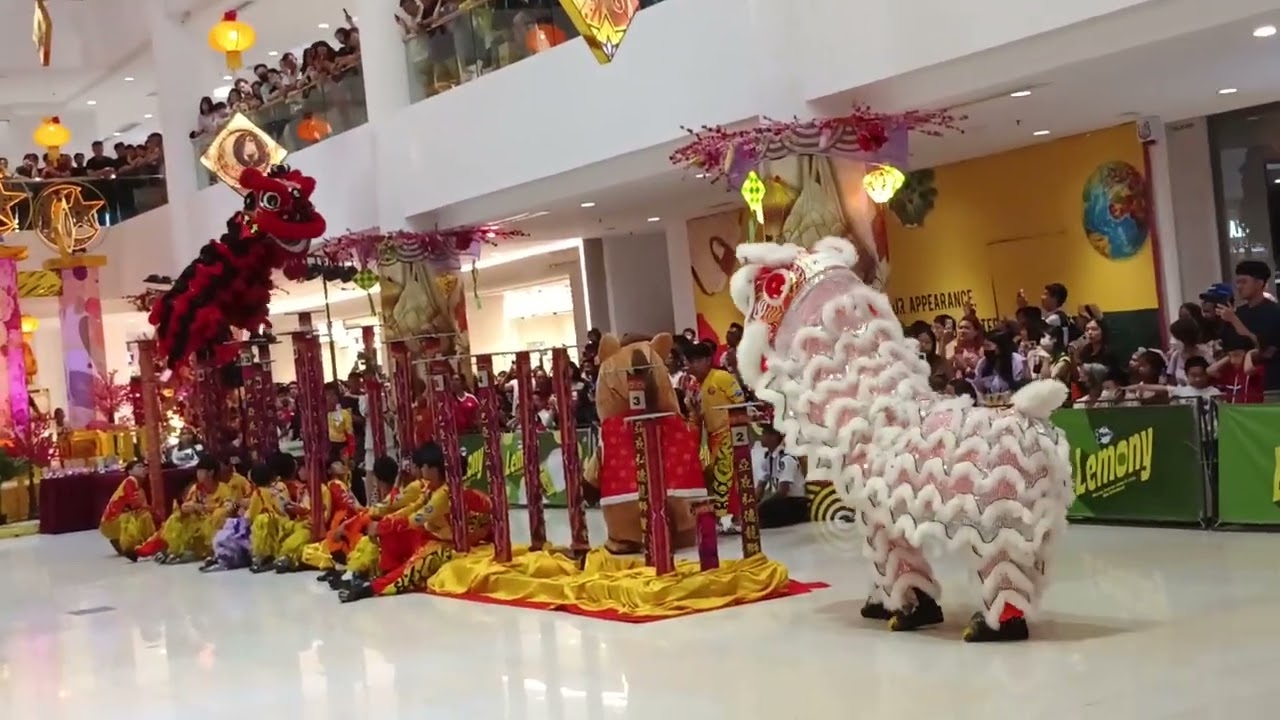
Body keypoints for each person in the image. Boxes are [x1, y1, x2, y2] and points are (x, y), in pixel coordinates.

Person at [339, 442, 493, 603]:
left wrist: (381, 525)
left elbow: (417, 517)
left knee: (415, 565)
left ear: (432, 469)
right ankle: (378, 572)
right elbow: (412, 508)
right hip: (436, 535)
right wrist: (384, 523)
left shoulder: (444, 493)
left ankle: (371, 589)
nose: (418, 470)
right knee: (393, 533)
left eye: (421, 466)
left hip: (454, 544)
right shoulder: (430, 488)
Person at [687, 341, 746, 533]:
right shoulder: (693, 385)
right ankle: (718, 520)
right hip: (709, 438)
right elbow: (694, 415)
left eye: (695, 361)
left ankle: (736, 519)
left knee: (728, 478)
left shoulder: (721, 377)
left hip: (728, 434)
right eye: (689, 361)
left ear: (707, 360)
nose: (691, 366)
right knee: (711, 479)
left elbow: (740, 403)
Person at [136, 455, 231, 564]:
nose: (198, 474)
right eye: (198, 471)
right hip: (197, 523)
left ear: (211, 473)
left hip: (213, 525)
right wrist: (187, 507)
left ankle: (209, 552)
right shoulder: (196, 488)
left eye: (201, 471)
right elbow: (185, 505)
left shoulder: (224, 489)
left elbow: (228, 509)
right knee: (175, 518)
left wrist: (204, 508)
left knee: (217, 516)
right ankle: (174, 550)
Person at [275, 459, 361, 573]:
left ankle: (293, 559)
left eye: (303, 468)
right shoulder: (306, 488)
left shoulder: (323, 488)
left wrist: (302, 512)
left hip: (313, 526)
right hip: (302, 523)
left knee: (297, 543)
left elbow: (324, 515)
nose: (300, 471)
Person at [1218, 260, 1280, 392]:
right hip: (1239, 383)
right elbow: (1230, 348)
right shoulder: (1238, 313)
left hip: (1270, 383)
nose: (1239, 287)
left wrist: (1234, 320)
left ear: (1260, 283)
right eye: (1238, 282)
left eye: (1244, 282)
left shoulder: (1274, 312)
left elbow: (1264, 347)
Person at [751, 425, 808, 528]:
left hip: (794, 503)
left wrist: (760, 506)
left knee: (764, 510)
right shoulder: (768, 458)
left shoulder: (786, 459)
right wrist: (750, 505)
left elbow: (783, 491)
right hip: (781, 502)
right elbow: (760, 487)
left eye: (764, 433)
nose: (761, 437)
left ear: (774, 437)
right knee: (756, 512)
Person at [99, 460, 157, 560]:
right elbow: (135, 504)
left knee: (144, 514)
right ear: (130, 472)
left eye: (143, 467)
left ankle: (121, 541)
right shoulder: (131, 481)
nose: (143, 469)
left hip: (109, 523)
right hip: (113, 522)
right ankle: (139, 545)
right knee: (145, 515)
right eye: (139, 467)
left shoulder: (138, 487)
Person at [972, 330, 1028, 402]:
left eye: (988, 346)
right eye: (984, 346)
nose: (985, 349)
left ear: (1000, 347)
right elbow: (978, 387)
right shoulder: (983, 363)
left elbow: (1022, 386)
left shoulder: (1017, 361)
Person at [1209, 335, 1265, 404]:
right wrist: (1229, 358)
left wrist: (1249, 353)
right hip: (1235, 411)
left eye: (1236, 355)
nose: (1233, 361)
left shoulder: (1257, 367)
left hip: (1252, 410)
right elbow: (1210, 371)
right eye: (1230, 356)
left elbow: (1248, 370)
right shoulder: (1230, 371)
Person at [1165, 318, 1213, 385]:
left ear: (1186, 338)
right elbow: (1171, 381)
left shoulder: (1206, 356)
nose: (1172, 341)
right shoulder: (1176, 356)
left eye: (1175, 338)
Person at [325, 382, 355, 462]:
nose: (330, 398)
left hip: (341, 448)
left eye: (333, 395)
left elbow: (350, 436)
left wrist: (351, 455)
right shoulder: (320, 415)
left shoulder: (344, 414)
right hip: (325, 450)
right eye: (327, 395)